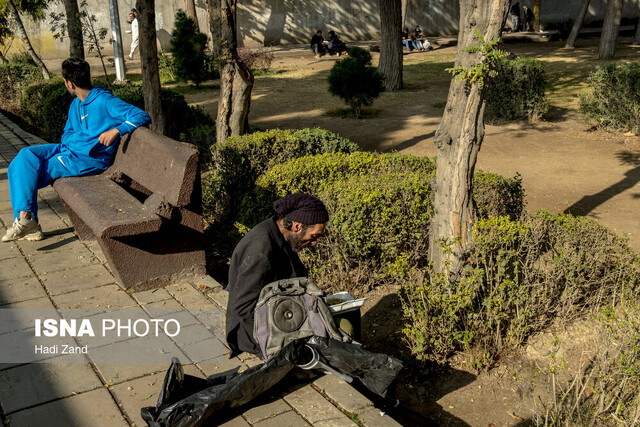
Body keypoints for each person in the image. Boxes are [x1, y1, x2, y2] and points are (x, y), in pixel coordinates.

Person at [2, 58, 151, 242]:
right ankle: (27, 222)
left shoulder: (104, 101)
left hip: (87, 159)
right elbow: (68, 131)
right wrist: (69, 144)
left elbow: (141, 115)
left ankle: (26, 221)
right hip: (69, 150)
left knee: (24, 173)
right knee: (24, 157)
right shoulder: (76, 104)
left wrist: (117, 130)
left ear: (69, 83)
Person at [225, 192, 329, 357]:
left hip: (280, 313)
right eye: (314, 236)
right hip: (254, 333)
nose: (315, 242)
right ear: (297, 226)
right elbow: (243, 306)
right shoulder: (261, 249)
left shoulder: (282, 234)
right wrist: (283, 333)